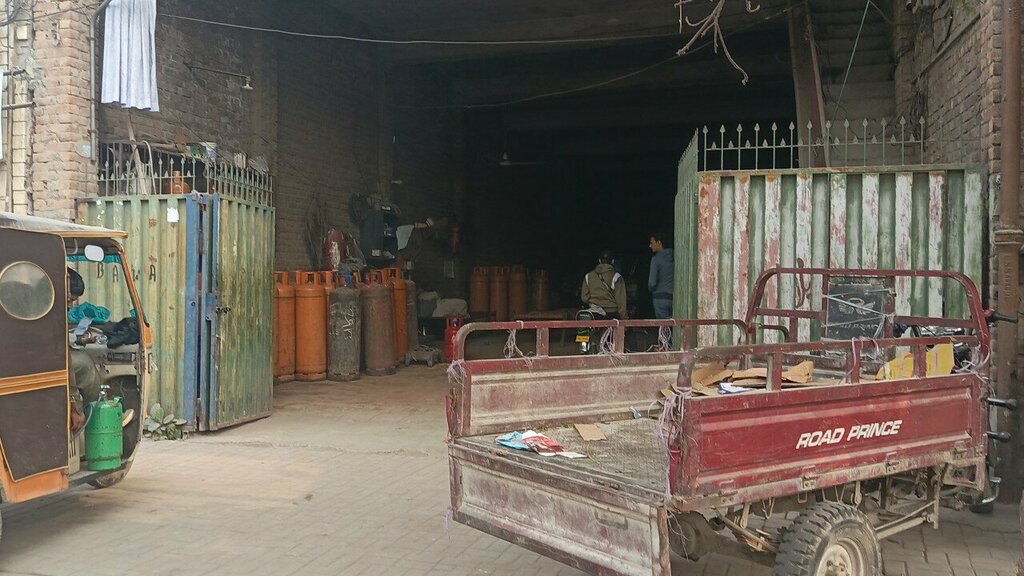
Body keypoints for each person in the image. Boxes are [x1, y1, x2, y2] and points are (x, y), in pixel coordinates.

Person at [581, 250, 628, 319]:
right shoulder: (617, 277)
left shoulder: (588, 276)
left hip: (595, 313)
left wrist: (595, 301)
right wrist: (624, 318)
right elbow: (621, 302)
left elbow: (584, 298)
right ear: (612, 261)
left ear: (599, 261)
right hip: (612, 314)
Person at [648, 233, 674, 319]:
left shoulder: (655, 259)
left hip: (660, 299)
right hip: (674, 298)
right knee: (677, 326)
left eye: (652, 243)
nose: (650, 245)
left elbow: (652, 283)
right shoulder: (675, 256)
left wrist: (650, 289)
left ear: (659, 242)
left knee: (664, 329)